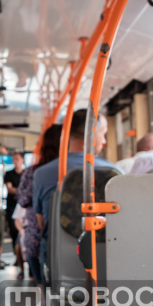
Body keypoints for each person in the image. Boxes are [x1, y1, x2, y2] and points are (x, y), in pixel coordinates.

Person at [33, 112, 121, 275]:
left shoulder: (41, 174)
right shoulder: (113, 172)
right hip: (105, 253)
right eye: (103, 135)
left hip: (57, 254)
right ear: (92, 135)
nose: (104, 142)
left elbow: (41, 222)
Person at [16, 124, 62, 288]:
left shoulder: (33, 172)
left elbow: (22, 200)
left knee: (43, 280)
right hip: (65, 230)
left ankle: (44, 294)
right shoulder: (74, 168)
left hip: (37, 230)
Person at [4, 152, 24, 267]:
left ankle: (25, 256)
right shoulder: (9, 174)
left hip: (24, 207)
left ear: (22, 160)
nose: (15, 161)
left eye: (17, 158)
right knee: (14, 230)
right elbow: (9, 189)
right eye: (14, 159)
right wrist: (23, 191)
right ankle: (17, 257)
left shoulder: (26, 174)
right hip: (12, 206)